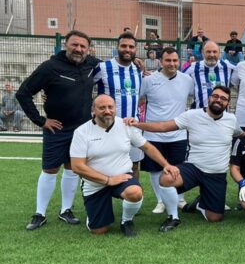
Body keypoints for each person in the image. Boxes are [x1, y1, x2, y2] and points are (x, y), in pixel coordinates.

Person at [17, 30, 99, 230]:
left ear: (88, 49)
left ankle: (66, 211)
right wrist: (41, 121)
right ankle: (40, 213)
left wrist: (139, 65)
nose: (78, 49)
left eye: (83, 46)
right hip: (57, 129)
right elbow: (23, 93)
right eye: (75, 45)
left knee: (73, 168)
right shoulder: (50, 67)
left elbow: (115, 66)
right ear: (66, 45)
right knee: (50, 169)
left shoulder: (92, 64)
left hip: (82, 130)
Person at [125, 86, 240, 227]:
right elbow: (163, 127)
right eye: (215, 96)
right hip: (194, 168)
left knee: (214, 218)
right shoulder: (192, 115)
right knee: (167, 178)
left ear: (228, 103)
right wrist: (138, 124)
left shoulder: (232, 120)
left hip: (217, 173)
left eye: (223, 99)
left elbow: (242, 134)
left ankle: (199, 204)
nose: (218, 100)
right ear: (210, 98)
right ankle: (173, 217)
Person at [70, 95, 179, 236]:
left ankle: (126, 221)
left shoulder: (125, 126)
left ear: (115, 108)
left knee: (135, 192)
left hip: (122, 177)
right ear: (93, 110)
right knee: (99, 231)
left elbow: (147, 147)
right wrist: (108, 180)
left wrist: (166, 165)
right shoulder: (81, 132)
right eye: (102, 108)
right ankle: (94, 217)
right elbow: (77, 166)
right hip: (95, 183)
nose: (107, 111)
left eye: (110, 107)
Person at [138, 47, 192, 214]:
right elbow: (139, 100)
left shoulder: (187, 80)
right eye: (168, 60)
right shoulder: (148, 80)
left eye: (175, 60)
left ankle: (180, 199)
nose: (172, 63)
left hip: (178, 133)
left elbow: (195, 99)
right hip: (153, 134)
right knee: (155, 169)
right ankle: (161, 201)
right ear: (160, 62)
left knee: (178, 167)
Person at [93, 32, 145, 180]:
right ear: (117, 47)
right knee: (105, 165)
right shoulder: (103, 67)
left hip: (133, 126)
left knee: (134, 165)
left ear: (136, 49)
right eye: (124, 46)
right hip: (107, 126)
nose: (127, 49)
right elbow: (84, 87)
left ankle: (134, 199)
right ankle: (104, 199)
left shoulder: (138, 69)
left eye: (131, 46)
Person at [183, 41, 235, 109]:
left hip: (221, 115)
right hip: (200, 114)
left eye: (214, 52)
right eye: (208, 52)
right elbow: (179, 78)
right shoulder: (193, 67)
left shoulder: (227, 66)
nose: (212, 55)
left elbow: (241, 70)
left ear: (219, 54)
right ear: (202, 53)